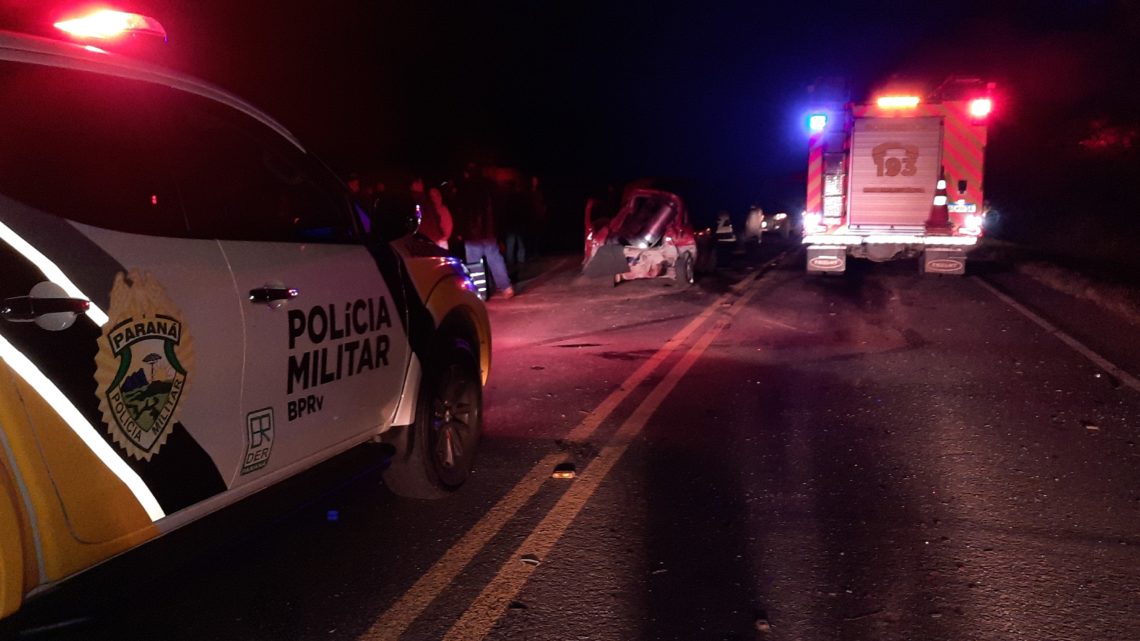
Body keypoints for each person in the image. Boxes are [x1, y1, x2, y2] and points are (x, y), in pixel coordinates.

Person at [452, 163, 514, 299]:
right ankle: (506, 288)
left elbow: (460, 212)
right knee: (495, 259)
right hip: (489, 231)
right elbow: (498, 209)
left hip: (471, 234)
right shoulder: (490, 186)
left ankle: (480, 293)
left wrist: (459, 231)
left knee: (474, 264)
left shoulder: (463, 188)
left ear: (466, 173)